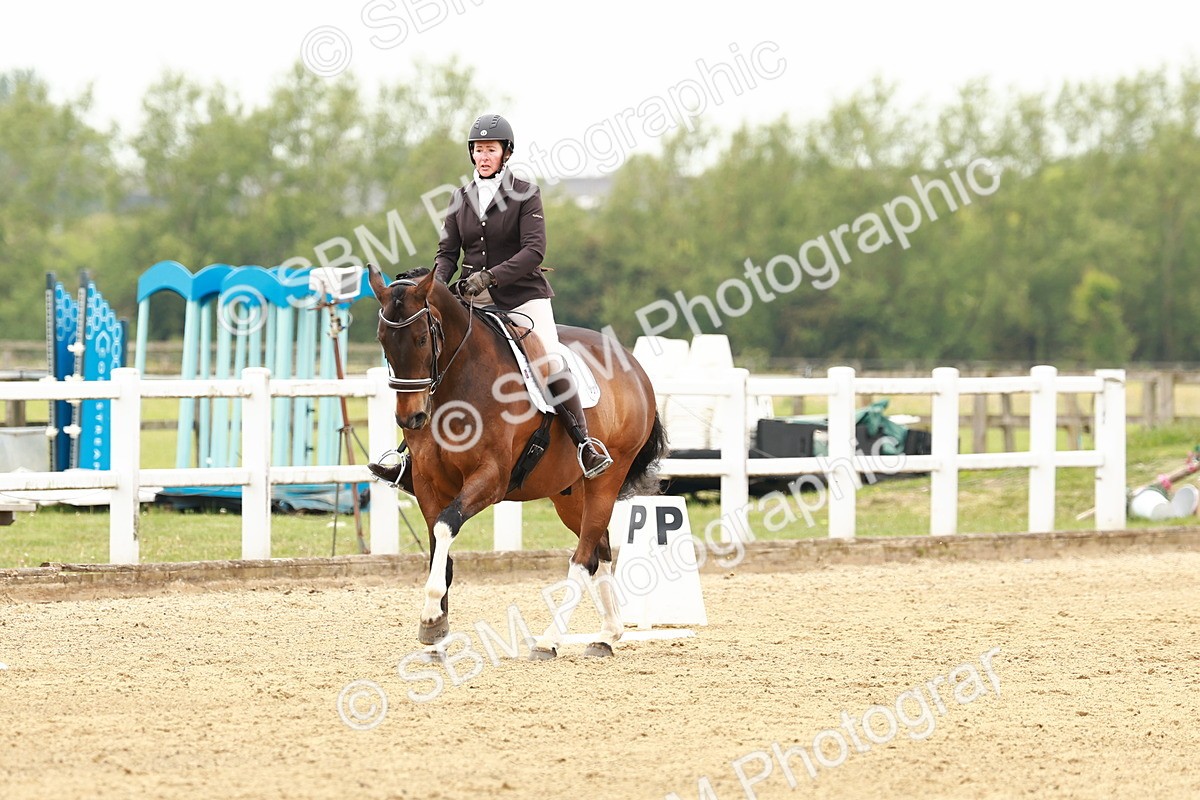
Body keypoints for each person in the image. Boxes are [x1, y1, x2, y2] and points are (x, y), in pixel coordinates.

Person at [368, 113, 613, 492]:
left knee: (550, 359)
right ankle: (409, 457)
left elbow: (534, 251)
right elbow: (447, 253)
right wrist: (435, 288)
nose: (484, 156)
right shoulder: (460, 198)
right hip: (471, 298)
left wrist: (491, 276)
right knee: (436, 359)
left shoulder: (526, 194)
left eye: (491, 150)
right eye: (479, 150)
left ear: (505, 153)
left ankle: (584, 444)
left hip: (523, 296)